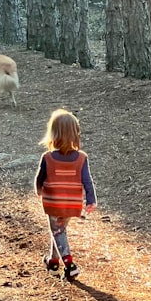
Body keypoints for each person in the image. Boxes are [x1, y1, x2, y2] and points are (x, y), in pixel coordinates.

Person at [34, 108, 97, 279]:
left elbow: (39, 178)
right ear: (76, 133)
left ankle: (69, 264)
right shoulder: (81, 158)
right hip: (72, 202)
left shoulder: (48, 157)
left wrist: (39, 190)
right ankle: (52, 262)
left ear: (53, 133)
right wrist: (91, 199)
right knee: (59, 231)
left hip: (53, 202)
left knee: (57, 231)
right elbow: (87, 180)